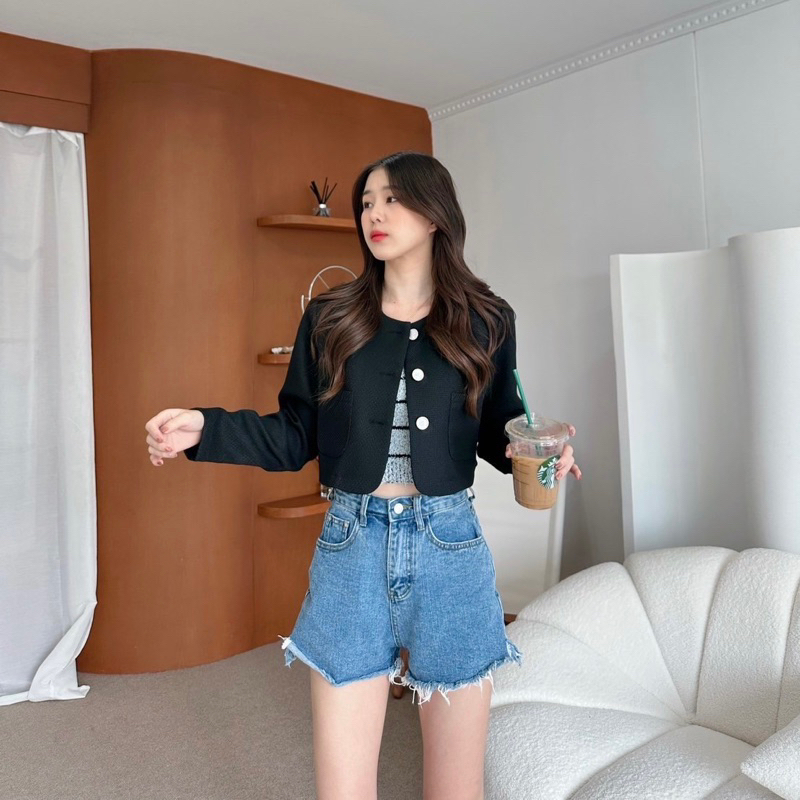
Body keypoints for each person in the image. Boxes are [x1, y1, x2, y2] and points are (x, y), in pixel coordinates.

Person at [144, 151, 581, 800]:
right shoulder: (331, 319)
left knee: (457, 788)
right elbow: (295, 435)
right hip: (351, 547)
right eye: (367, 202)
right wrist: (205, 428)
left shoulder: (486, 319)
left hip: (450, 549)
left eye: (393, 199)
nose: (375, 213)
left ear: (435, 215)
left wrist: (541, 456)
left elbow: (500, 430)